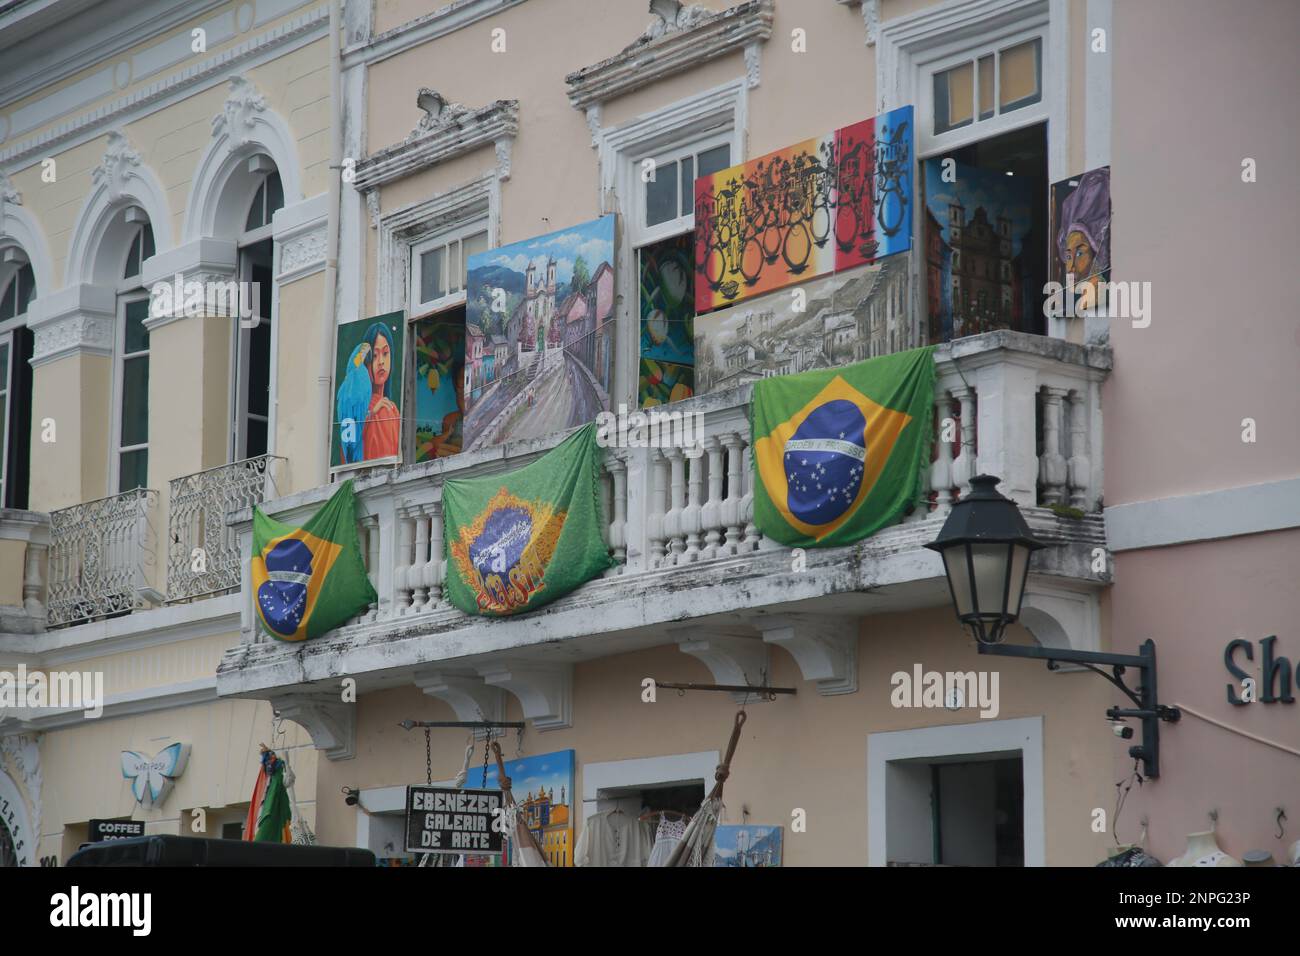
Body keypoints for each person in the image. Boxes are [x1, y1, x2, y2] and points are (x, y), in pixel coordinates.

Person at [1056, 167, 1110, 312]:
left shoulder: (1098, 294)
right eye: (1068, 256)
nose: (1071, 266)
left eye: (1080, 254)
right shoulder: (1070, 300)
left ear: (1096, 255)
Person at [362, 321, 401, 459]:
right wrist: (372, 413)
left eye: (385, 353)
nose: (381, 362)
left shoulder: (393, 409)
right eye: (374, 356)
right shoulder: (362, 406)